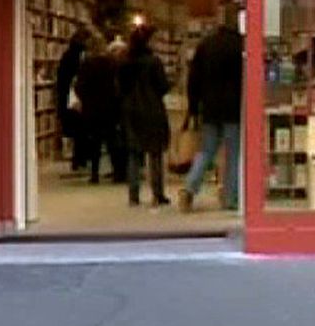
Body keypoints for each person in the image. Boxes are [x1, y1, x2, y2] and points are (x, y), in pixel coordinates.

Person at [181, 16, 246, 213]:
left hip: (210, 107)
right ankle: (230, 198)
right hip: (234, 108)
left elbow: (193, 78)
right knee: (234, 154)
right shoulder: (240, 46)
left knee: (207, 151)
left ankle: (189, 188)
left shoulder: (206, 45)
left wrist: (193, 106)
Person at [119, 25, 172, 208]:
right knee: (155, 153)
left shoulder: (125, 62)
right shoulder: (154, 62)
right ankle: (158, 193)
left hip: (131, 111)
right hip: (152, 109)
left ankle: (133, 195)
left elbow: (120, 87)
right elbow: (163, 86)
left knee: (134, 153)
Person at [74, 33, 124, 185]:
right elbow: (119, 85)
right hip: (110, 107)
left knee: (94, 142)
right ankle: (117, 172)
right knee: (112, 140)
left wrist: (84, 99)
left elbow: (79, 86)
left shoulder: (86, 64)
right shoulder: (113, 63)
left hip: (92, 108)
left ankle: (94, 174)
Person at [57, 28, 89, 172]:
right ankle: (80, 158)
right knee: (81, 129)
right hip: (78, 96)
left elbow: (61, 79)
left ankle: (77, 159)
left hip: (67, 97)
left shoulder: (66, 56)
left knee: (75, 129)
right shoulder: (82, 57)